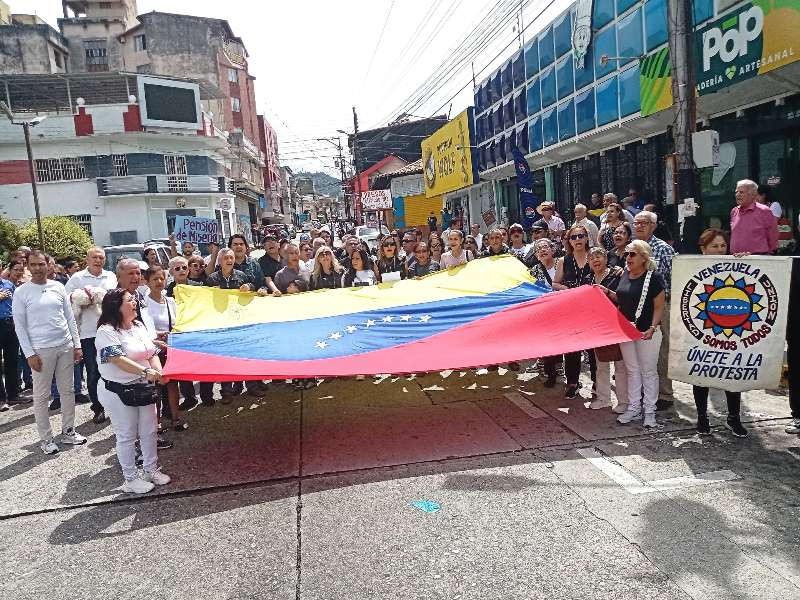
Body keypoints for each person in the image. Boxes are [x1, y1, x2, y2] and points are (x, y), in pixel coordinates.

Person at [95, 288, 171, 494]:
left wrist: (160, 372)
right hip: (118, 390)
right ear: (116, 306)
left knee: (149, 430)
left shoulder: (138, 326)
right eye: (130, 300)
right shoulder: (106, 331)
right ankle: (130, 478)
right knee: (127, 434)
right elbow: (117, 359)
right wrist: (146, 371)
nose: (135, 303)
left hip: (143, 388)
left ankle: (150, 470)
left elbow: (151, 352)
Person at [12, 250, 85, 454]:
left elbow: (69, 318)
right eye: (33, 265)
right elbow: (20, 326)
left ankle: (68, 431)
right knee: (42, 396)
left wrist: (76, 345)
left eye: (41, 264)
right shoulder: (22, 292)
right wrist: (29, 354)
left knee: (68, 390)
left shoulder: (58, 286)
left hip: (65, 346)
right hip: (40, 351)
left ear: (48, 265)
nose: (37, 268)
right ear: (28, 266)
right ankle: (46, 439)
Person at [598, 240, 665, 430]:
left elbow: (659, 306)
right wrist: (608, 292)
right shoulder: (625, 274)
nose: (628, 257)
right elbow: (623, 297)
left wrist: (652, 327)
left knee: (648, 372)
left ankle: (649, 411)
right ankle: (634, 407)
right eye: (627, 254)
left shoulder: (654, 278)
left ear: (644, 257)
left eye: (632, 254)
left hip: (646, 331)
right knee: (632, 371)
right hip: (626, 330)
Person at [691, 228, 749, 437]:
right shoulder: (691, 268)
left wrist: (748, 262)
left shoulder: (737, 266)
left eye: (723, 245)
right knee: (702, 373)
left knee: (732, 371)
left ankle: (734, 418)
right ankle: (702, 417)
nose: (720, 249)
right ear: (703, 249)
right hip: (702, 329)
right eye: (714, 246)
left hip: (733, 329)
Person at [65, 246, 118, 424]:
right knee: (94, 372)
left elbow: (117, 298)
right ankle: (98, 408)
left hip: (110, 330)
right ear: (87, 260)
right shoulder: (77, 278)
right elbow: (66, 299)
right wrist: (81, 298)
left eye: (101, 257)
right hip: (88, 333)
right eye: (94, 257)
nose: (98, 260)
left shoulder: (110, 276)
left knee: (113, 369)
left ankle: (114, 406)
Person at [633, 210, 676, 409]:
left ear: (653, 225)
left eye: (644, 223)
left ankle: (665, 394)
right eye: (636, 223)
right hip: (637, 307)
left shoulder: (663, 249)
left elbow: (676, 278)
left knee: (662, 350)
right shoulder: (632, 248)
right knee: (641, 351)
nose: (639, 226)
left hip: (661, 305)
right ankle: (646, 392)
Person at [143, 266, 188, 430]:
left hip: (170, 348)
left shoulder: (170, 301)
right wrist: (157, 335)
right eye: (155, 279)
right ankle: (157, 423)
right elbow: (141, 328)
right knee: (156, 388)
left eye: (161, 278)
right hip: (153, 350)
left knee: (172, 385)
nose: (159, 282)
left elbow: (178, 322)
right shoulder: (143, 304)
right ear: (146, 282)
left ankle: (176, 418)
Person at [553, 225, 594, 398]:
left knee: (593, 349)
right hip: (571, 309)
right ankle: (572, 383)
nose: (577, 240)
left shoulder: (594, 256)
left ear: (586, 238)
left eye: (581, 236)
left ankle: (598, 384)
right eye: (574, 237)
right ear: (569, 241)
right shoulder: (564, 260)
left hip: (591, 309)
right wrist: (568, 289)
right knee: (572, 348)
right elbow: (555, 283)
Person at [587, 247, 627, 412]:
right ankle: (603, 399)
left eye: (599, 256)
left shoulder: (617, 275)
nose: (595, 260)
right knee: (601, 365)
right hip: (597, 327)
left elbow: (624, 297)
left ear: (606, 258)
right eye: (592, 258)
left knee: (621, 365)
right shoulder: (588, 278)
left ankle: (624, 402)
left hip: (617, 325)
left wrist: (608, 292)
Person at [0, 259, 25, 410]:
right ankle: (1, 399)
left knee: (12, 360)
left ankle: (13, 394)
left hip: (10, 324)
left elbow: (18, 304)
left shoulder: (8, 284)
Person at [730, 179, 778, 255]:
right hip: (735, 259)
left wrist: (770, 254)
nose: (737, 195)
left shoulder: (764, 211)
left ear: (753, 194)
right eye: (736, 192)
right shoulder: (734, 211)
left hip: (758, 258)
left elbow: (772, 236)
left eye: (741, 192)